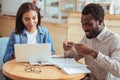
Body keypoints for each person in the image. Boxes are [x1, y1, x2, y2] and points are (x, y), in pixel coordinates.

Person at [63, 3, 120, 80]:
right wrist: (68, 50)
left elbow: (118, 70)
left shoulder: (115, 40)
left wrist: (93, 53)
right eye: (82, 24)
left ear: (100, 21)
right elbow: (73, 58)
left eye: (88, 24)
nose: (84, 28)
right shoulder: (87, 37)